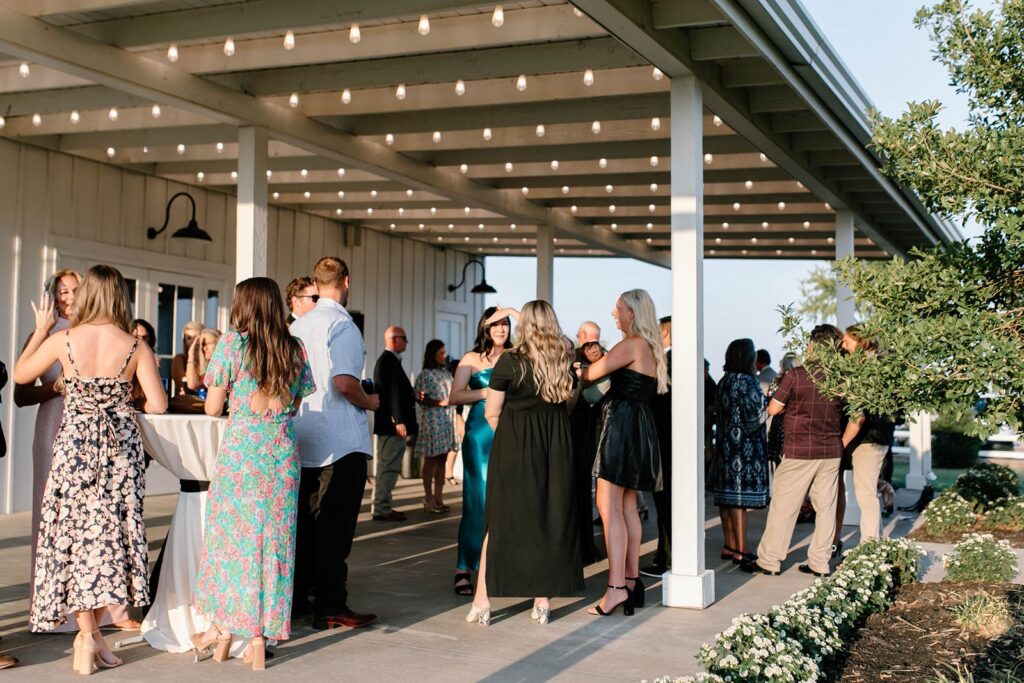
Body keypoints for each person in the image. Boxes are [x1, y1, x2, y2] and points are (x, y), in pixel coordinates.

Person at [14, 264, 166, 673]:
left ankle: (88, 637)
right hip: (118, 454)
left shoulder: (64, 340)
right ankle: (92, 636)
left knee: (75, 542)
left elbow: (20, 374)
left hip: (74, 451)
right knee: (111, 544)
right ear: (120, 297)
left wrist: (43, 332)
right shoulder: (135, 346)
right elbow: (159, 405)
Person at [191, 277, 315, 671]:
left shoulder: (232, 344)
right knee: (273, 546)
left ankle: (226, 627)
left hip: (242, 453)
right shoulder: (294, 348)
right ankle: (258, 638)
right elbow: (294, 404)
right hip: (280, 452)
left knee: (232, 544)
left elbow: (212, 408)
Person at [466, 302, 583, 626]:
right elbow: (569, 402)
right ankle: (542, 602)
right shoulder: (563, 357)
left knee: (500, 521)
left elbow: (492, 411)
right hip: (557, 446)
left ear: (525, 325)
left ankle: (483, 599)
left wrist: (510, 437)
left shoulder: (511, 361)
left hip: (515, 444)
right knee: (547, 518)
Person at [290, 257, 379, 630]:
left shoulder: (297, 324)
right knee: (336, 530)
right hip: (340, 441)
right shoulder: (342, 324)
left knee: (306, 527)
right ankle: (331, 604)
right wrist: (370, 402)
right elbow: (344, 382)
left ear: (315, 281)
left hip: (302, 433)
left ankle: (300, 600)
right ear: (345, 280)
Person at [577, 289, 667, 616]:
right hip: (639, 424)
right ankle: (630, 582)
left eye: (618, 309)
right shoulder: (651, 346)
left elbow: (590, 375)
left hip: (620, 425)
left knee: (608, 506)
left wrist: (574, 369)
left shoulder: (630, 344)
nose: (613, 314)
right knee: (627, 505)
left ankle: (615, 588)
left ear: (631, 312)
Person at [741, 325, 854, 578]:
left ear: (812, 346)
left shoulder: (796, 375)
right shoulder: (842, 378)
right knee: (826, 508)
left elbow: (773, 409)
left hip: (799, 449)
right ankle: (820, 563)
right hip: (830, 451)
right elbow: (855, 415)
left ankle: (770, 561)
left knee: (784, 506)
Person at [447, 307, 512, 597]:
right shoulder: (472, 359)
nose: (501, 329)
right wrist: (487, 392)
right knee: (478, 500)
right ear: (484, 328)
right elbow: (454, 396)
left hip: (510, 431)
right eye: (495, 324)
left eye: (506, 323)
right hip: (479, 436)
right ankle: (464, 567)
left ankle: (500, 564)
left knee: (508, 500)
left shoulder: (516, 355)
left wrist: (515, 311)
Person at [837, 325, 897, 543]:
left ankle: (869, 546)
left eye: (847, 340)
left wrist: (842, 442)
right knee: (867, 492)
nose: (842, 344)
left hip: (870, 438)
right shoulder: (873, 364)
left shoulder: (871, 367)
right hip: (871, 438)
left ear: (860, 341)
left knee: (865, 495)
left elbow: (860, 412)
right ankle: (875, 542)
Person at [713, 339, 770, 564]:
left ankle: (729, 544)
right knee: (739, 501)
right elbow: (754, 418)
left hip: (725, 446)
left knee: (726, 499)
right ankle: (742, 548)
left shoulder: (723, 381)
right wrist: (771, 408)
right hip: (745, 449)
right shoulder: (748, 382)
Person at [372, 326, 418, 522]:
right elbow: (391, 394)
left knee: (388, 466)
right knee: (388, 467)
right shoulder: (388, 361)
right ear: (393, 339)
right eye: (404, 338)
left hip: (391, 425)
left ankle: (383, 505)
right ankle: (382, 508)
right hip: (391, 426)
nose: (406, 342)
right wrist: (398, 420)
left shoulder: (390, 361)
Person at [569, 338, 607, 566]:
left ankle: (584, 547)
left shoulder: (588, 376)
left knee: (582, 492)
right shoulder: (576, 374)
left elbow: (591, 398)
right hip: (574, 436)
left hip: (584, 437)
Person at [643, 316, 673, 576]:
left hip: (663, 439)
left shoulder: (667, 362)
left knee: (664, 499)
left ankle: (666, 557)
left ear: (664, 334)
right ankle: (665, 554)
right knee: (664, 499)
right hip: (668, 439)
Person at [414, 340, 457, 513]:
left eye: (444, 352)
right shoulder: (425, 374)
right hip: (432, 421)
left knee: (442, 460)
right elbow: (419, 397)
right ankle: (428, 498)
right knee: (431, 460)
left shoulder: (446, 373)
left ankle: (439, 497)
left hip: (447, 421)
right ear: (433, 354)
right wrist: (440, 402)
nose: (444, 356)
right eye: (441, 353)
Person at [170, 320, 203, 396]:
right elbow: (184, 386)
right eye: (189, 338)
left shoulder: (208, 360)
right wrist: (191, 355)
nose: (193, 341)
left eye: (197, 338)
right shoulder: (180, 360)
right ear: (184, 340)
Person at [185, 328, 222, 392]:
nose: (205, 348)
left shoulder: (220, 365)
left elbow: (192, 384)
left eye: (209, 343)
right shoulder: (209, 365)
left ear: (219, 342)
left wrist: (191, 355)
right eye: (203, 344)